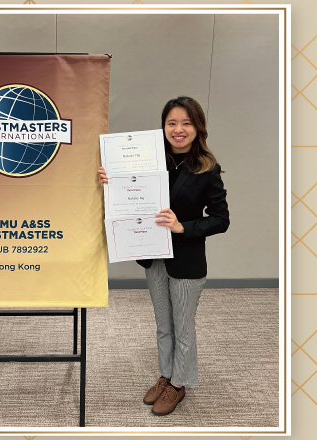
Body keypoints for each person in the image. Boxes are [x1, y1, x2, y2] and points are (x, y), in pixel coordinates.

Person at [98, 96, 229, 416]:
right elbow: (132, 197)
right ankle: (167, 376)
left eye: (186, 123)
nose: (178, 129)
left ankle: (179, 384)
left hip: (186, 260)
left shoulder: (207, 169)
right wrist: (112, 181)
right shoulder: (148, 162)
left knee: (183, 327)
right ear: (164, 127)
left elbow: (221, 219)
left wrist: (183, 226)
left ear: (198, 128)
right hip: (153, 255)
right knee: (163, 325)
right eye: (172, 123)